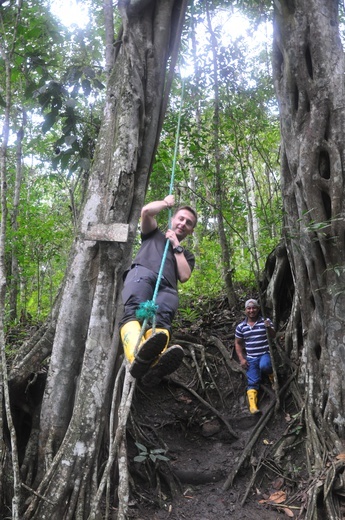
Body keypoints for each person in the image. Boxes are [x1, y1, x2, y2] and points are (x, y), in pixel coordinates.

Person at [120, 194, 197, 386]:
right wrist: (165, 203)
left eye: (188, 223)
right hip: (143, 273)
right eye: (180, 218)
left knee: (162, 321)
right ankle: (135, 355)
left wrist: (176, 246)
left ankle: (155, 364)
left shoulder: (186, 254)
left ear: (191, 230)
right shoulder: (153, 234)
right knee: (132, 311)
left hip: (168, 288)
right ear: (173, 219)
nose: (183, 223)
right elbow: (146, 212)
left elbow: (185, 276)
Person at [234, 298, 276, 414]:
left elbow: (273, 335)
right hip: (251, 358)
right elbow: (237, 343)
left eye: (254, 308)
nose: (251, 310)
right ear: (245, 310)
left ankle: (273, 379)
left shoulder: (265, 321)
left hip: (264, 354)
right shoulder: (241, 327)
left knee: (265, 365)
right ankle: (253, 407)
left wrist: (268, 327)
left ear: (258, 309)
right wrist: (242, 359)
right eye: (249, 308)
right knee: (252, 381)